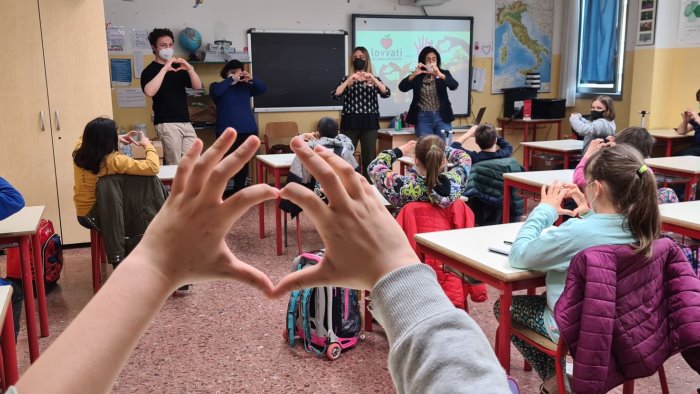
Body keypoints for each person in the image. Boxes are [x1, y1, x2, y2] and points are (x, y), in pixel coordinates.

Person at [11, 128, 510, 393]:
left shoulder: (396, 178)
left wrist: (154, 264)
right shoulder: (456, 186)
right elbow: (464, 380)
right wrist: (397, 271)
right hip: (437, 288)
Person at [499, 144, 659, 392]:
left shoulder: (577, 233)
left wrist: (544, 211)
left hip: (579, 333)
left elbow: (519, 255)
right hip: (626, 329)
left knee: (505, 307)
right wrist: (589, 213)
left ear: (596, 188)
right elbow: (602, 232)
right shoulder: (645, 227)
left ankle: (556, 382)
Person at [73, 117, 159, 231]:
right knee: (143, 203)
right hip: (98, 215)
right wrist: (148, 145)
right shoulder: (113, 161)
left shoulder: (79, 149)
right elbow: (153, 167)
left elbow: (87, 137)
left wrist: (117, 138)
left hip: (82, 213)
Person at [141, 28, 203, 165]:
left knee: (194, 162)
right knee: (175, 164)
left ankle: (190, 187)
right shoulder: (149, 70)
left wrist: (190, 69)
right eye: (163, 45)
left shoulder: (179, 67)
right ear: (154, 48)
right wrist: (164, 69)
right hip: (167, 123)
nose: (168, 48)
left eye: (170, 45)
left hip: (186, 121)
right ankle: (176, 187)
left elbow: (198, 86)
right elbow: (149, 91)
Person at [573, 127, 678, 204]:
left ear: (622, 149)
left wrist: (587, 155)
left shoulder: (613, 170)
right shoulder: (645, 170)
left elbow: (578, 179)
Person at [280, 117, 359, 217]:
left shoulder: (308, 148)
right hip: (340, 192)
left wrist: (303, 136)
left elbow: (295, 175)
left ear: (317, 133)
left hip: (316, 192)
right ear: (337, 133)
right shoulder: (345, 148)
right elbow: (355, 173)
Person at [332, 46, 391, 179]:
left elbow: (386, 93)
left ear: (367, 60)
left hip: (369, 124)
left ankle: (369, 188)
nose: (358, 60)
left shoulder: (374, 79)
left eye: (361, 57)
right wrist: (349, 80)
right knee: (345, 156)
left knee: (369, 158)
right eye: (355, 58)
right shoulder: (347, 79)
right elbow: (336, 94)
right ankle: (348, 185)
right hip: (350, 123)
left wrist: (373, 79)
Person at [368, 135, 471, 210]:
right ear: (443, 161)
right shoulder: (455, 182)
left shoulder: (401, 186)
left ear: (415, 160)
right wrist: (437, 148)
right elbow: (464, 158)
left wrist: (399, 151)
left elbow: (374, 166)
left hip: (407, 237)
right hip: (443, 237)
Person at [210, 59, 266, 195]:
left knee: (243, 162)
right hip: (226, 132)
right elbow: (216, 92)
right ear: (227, 73)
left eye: (239, 71)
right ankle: (219, 192)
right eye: (233, 72)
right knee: (224, 162)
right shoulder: (218, 86)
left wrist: (251, 79)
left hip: (247, 130)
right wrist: (230, 80)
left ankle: (239, 190)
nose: (236, 74)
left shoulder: (246, 87)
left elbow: (262, 89)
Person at [398, 46, 459, 140]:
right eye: (428, 59)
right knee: (425, 149)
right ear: (423, 61)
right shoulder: (418, 75)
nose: (431, 62)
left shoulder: (443, 73)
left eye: (434, 59)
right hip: (423, 118)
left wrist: (440, 74)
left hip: (442, 117)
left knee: (445, 147)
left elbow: (454, 85)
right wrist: (413, 74)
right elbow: (402, 87)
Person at [675, 88, 700, 157]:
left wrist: (697, 119)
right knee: (676, 156)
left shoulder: (698, 117)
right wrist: (685, 121)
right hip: (696, 147)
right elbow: (680, 131)